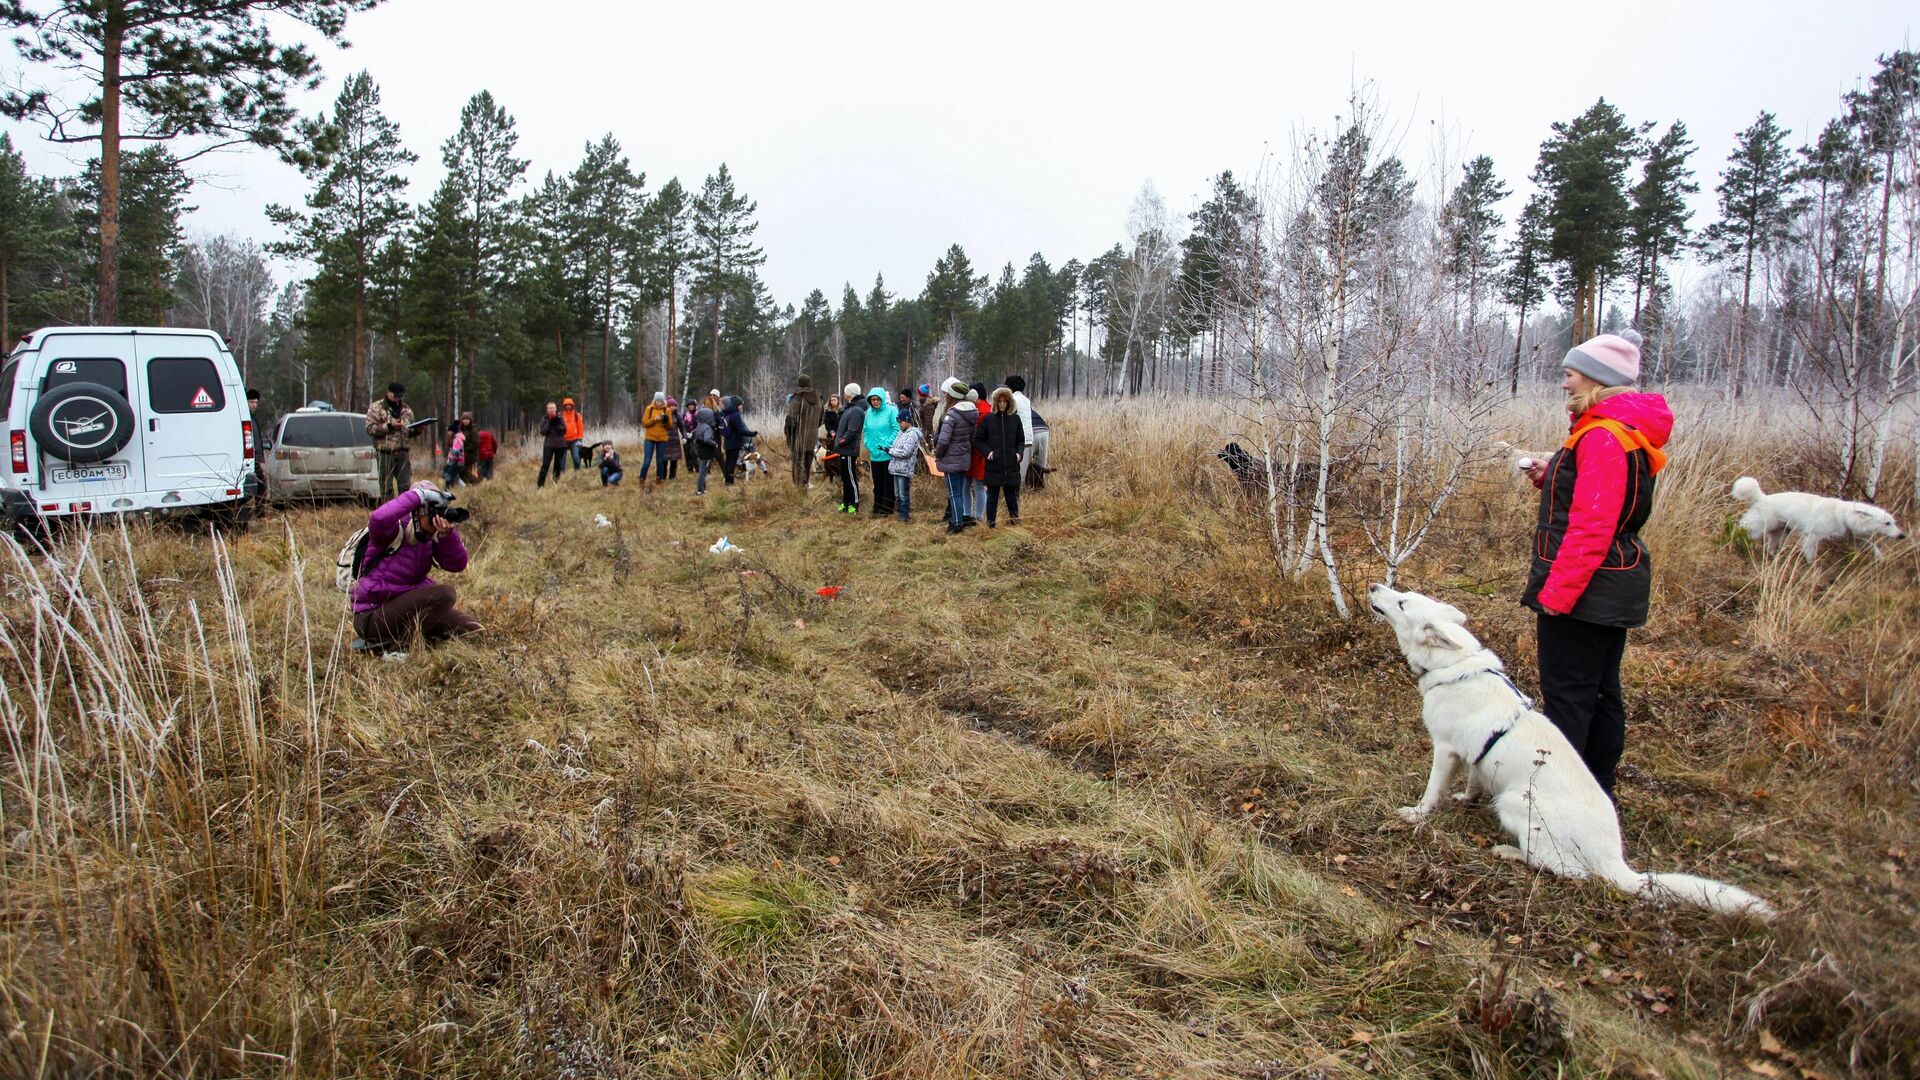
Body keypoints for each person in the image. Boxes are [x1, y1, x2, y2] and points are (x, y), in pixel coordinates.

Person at [1520, 329, 1671, 800]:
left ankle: (1562, 801)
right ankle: (1595, 794)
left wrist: (1557, 597)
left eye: (1570, 375)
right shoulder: (1612, 432)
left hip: (1589, 590)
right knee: (1599, 693)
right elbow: (1605, 499)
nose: (1564, 384)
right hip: (1609, 585)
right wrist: (1554, 474)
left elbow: (1592, 528)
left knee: (1571, 697)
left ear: (1597, 380)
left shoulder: (1603, 437)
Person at [352, 483, 480, 649]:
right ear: (418, 510)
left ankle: (411, 635)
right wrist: (418, 496)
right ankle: (401, 648)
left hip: (407, 610)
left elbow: (457, 564)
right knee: (445, 594)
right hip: (372, 616)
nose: (436, 517)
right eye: (432, 510)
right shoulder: (391, 531)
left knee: (472, 628)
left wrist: (446, 536)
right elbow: (377, 518)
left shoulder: (429, 537)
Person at [932, 377, 980, 534]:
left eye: (947, 394)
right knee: (959, 491)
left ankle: (956, 524)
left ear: (952, 396)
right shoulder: (972, 413)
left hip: (951, 459)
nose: (945, 396)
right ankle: (958, 520)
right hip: (964, 458)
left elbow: (944, 440)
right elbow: (973, 438)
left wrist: (938, 454)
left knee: (954, 493)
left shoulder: (952, 414)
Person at [978, 386, 1026, 527]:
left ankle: (1015, 523)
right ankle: (991, 526)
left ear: (1010, 402)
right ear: (996, 402)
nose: (1003, 403)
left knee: (1011, 497)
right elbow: (978, 439)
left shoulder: (1015, 419)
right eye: (1000, 401)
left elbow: (1021, 440)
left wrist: (1019, 454)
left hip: (1011, 465)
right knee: (992, 498)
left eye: (1005, 401)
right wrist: (988, 453)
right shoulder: (988, 419)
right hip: (994, 465)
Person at [365, 381, 415, 501]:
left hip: (403, 453)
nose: (398, 398)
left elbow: (411, 429)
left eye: (400, 396)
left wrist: (418, 429)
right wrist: (389, 426)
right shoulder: (376, 407)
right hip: (385, 453)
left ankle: (405, 515)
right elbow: (370, 428)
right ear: (388, 393)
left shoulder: (406, 409)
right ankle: (390, 515)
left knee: (405, 487)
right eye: (395, 395)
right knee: (386, 488)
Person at [862, 384, 900, 517]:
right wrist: (868, 444)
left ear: (883, 399)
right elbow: (866, 431)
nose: (876, 402)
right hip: (874, 454)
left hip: (887, 453)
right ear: (870, 401)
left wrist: (887, 445)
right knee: (877, 482)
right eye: (873, 400)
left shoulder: (891, 411)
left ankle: (887, 508)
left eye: (878, 399)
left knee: (887, 482)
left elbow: (896, 429)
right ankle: (877, 506)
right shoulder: (868, 414)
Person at [783, 374, 824, 488]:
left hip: (799, 437)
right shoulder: (819, 398)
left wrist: (789, 436)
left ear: (799, 384)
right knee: (807, 462)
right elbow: (821, 419)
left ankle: (799, 488)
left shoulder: (798, 398)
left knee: (798, 463)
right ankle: (805, 483)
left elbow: (790, 420)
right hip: (812, 437)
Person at [832, 382, 867, 513]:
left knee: (851, 477)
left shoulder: (857, 410)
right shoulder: (850, 408)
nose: (844, 394)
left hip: (849, 449)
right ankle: (846, 503)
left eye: (846, 392)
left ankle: (855, 504)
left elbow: (852, 431)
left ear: (850, 394)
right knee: (845, 478)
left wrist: (841, 441)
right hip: (843, 449)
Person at [885, 412, 922, 523]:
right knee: (897, 493)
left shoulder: (912, 434)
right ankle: (899, 513)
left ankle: (904, 515)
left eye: (900, 422)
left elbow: (906, 452)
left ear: (907, 421)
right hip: (896, 468)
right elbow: (895, 446)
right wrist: (887, 448)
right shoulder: (901, 433)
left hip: (904, 469)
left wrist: (890, 451)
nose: (899, 424)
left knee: (903, 494)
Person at [966, 382, 990, 524]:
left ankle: (979, 516)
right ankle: (968, 515)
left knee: (979, 486)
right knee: (968, 486)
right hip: (974, 454)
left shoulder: (983, 413)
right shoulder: (980, 408)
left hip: (979, 455)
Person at [720, 396, 756, 485]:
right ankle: (730, 483)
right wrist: (752, 433)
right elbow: (741, 430)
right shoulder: (736, 415)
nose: (741, 407)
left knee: (728, 462)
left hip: (728, 442)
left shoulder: (727, 413)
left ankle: (727, 481)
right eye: (740, 405)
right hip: (734, 443)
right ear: (736, 405)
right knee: (732, 464)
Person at [1005, 374, 1036, 476]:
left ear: (1010, 387)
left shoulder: (1012, 399)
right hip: (1028, 437)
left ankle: (1016, 489)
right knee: (1022, 467)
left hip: (1017, 438)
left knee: (1014, 468)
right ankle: (1021, 488)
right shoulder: (1026, 400)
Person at [641, 392, 674, 483]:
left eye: (661, 401)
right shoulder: (649, 409)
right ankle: (642, 479)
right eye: (657, 401)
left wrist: (666, 420)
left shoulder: (667, 410)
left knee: (660, 461)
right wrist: (654, 420)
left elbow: (670, 427)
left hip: (662, 439)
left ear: (664, 401)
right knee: (647, 461)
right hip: (650, 439)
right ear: (654, 401)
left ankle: (659, 480)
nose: (659, 403)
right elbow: (644, 423)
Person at [536, 401, 569, 487]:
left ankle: (555, 482)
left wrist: (557, 423)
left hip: (560, 445)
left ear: (556, 409)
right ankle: (540, 485)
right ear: (547, 409)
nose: (552, 410)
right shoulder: (544, 419)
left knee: (558, 465)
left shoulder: (560, 418)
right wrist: (549, 423)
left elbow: (564, 430)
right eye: (550, 408)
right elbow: (543, 432)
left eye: (553, 408)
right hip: (549, 445)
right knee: (545, 464)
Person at [691, 404, 720, 495]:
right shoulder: (707, 428)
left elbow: (696, 438)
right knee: (703, 472)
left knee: (701, 470)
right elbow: (707, 439)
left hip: (700, 451)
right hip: (706, 453)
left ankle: (703, 489)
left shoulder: (700, 426)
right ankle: (700, 490)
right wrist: (714, 443)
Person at [661, 396, 684, 480]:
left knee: (674, 460)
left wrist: (684, 436)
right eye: (671, 406)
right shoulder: (663, 415)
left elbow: (682, 427)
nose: (673, 407)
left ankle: (672, 477)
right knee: (664, 461)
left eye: (674, 406)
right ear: (667, 406)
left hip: (675, 441)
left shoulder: (677, 416)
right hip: (665, 440)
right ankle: (663, 477)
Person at [560, 397, 586, 470]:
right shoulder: (560, 415)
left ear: (572, 405)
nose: (568, 406)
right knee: (561, 460)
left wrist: (580, 440)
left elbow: (580, 428)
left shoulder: (577, 415)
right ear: (564, 406)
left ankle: (577, 473)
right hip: (563, 441)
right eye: (566, 405)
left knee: (576, 458)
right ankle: (562, 475)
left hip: (574, 440)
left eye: (570, 405)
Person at [442, 423, 467, 488]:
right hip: (453, 460)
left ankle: (448, 488)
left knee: (449, 474)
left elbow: (456, 451)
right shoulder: (453, 439)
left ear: (453, 431)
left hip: (456, 461)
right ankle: (463, 486)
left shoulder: (457, 439)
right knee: (449, 474)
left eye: (449, 431)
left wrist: (451, 453)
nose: (448, 432)